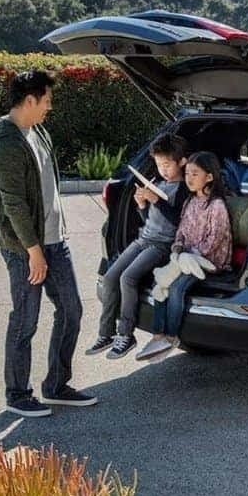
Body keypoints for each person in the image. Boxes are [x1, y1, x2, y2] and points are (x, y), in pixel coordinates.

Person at [0, 70, 97, 418]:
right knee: (25, 320)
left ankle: (56, 386)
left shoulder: (38, 132)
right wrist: (33, 251)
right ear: (29, 100)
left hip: (54, 241)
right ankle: (17, 394)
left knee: (71, 310)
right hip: (24, 248)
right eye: (46, 100)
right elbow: (13, 202)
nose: (50, 106)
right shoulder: (5, 143)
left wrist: (53, 237)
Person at [86, 133, 190, 359]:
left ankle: (126, 334)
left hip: (163, 245)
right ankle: (106, 334)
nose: (162, 170)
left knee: (128, 278)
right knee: (111, 276)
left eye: (167, 165)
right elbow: (149, 220)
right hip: (143, 239)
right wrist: (142, 205)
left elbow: (177, 221)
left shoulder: (183, 190)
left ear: (181, 162)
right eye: (158, 164)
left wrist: (156, 201)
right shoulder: (159, 184)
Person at [137, 151, 233, 360]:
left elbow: (214, 241)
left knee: (176, 288)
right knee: (160, 285)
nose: (189, 178)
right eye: (187, 173)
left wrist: (188, 255)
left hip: (207, 261)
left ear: (209, 177)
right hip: (185, 257)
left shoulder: (216, 206)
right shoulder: (190, 202)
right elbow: (180, 231)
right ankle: (158, 334)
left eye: (195, 174)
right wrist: (179, 249)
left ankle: (171, 336)